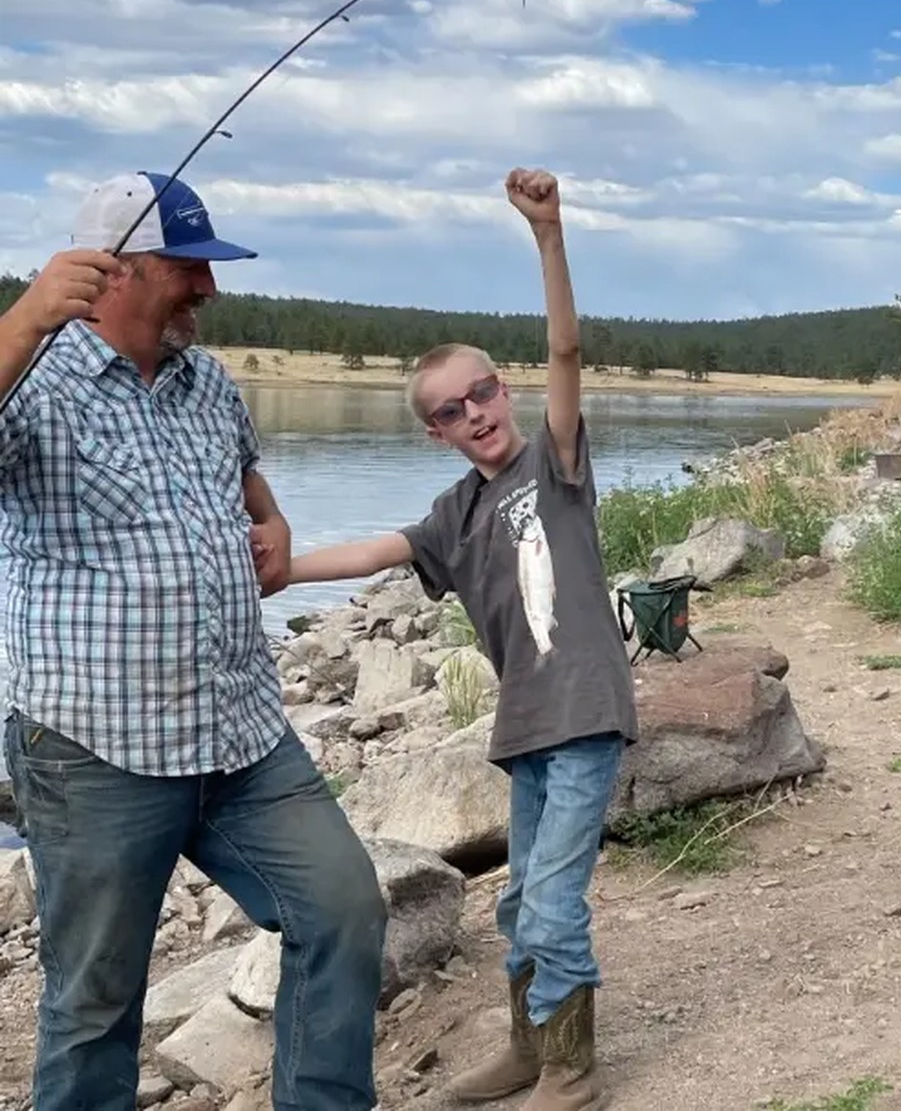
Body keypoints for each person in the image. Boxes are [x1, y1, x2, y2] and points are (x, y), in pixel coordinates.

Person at [0, 171, 386, 1111]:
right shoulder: (32, 386)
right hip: (97, 749)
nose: (208, 290)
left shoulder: (206, 381)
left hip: (241, 733)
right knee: (94, 1007)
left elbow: (245, 478)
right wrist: (23, 321)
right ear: (112, 273)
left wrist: (278, 520)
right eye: (189, 269)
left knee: (343, 908)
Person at [285, 167, 638, 1111]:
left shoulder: (554, 466)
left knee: (555, 902)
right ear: (435, 433)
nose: (474, 411)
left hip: (585, 716)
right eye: (450, 408)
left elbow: (567, 348)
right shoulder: (456, 509)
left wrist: (549, 236)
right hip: (525, 728)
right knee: (522, 902)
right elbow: (381, 546)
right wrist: (279, 568)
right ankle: (530, 1047)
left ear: (505, 388)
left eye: (482, 390)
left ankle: (574, 1069)